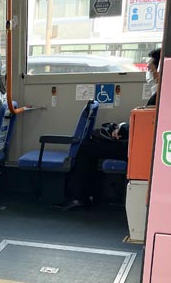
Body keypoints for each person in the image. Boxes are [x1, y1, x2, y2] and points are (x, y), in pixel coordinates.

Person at [59, 49, 161, 211]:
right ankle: (88, 195)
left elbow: (149, 122)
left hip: (138, 148)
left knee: (87, 148)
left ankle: (80, 197)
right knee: (92, 143)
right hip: (139, 143)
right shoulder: (160, 92)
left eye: (151, 68)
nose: (148, 72)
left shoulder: (161, 94)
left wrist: (124, 129)